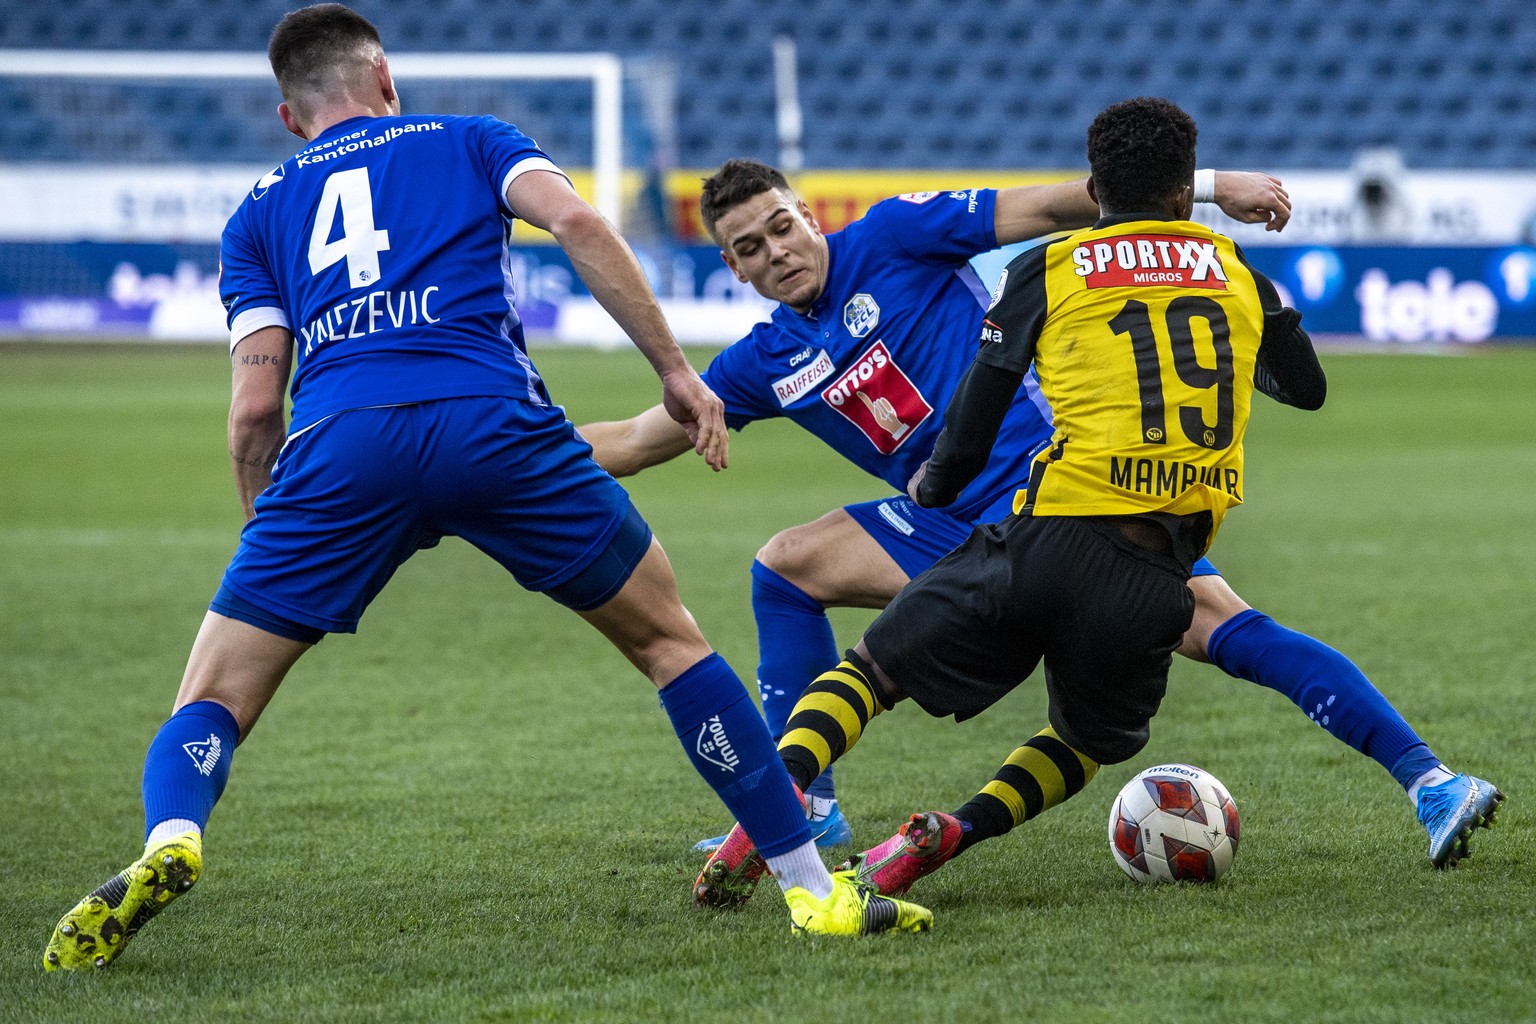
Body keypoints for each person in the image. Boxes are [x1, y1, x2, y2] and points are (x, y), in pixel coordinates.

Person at [41, 5, 934, 972]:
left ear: (290, 117)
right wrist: (676, 370)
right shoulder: (470, 139)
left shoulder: (255, 215)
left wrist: (272, 529)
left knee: (212, 691)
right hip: (493, 426)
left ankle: (170, 840)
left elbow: (255, 410)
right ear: (384, 77)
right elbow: (580, 223)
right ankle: (813, 893)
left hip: (342, 445)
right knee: (672, 644)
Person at [581, 156, 1502, 880]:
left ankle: (1429, 780)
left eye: (782, 226)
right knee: (784, 567)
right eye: (749, 246)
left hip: (1057, 496)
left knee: (1226, 628)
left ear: (807, 216)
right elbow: (631, 438)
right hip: (942, 521)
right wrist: (515, 450)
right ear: (734, 270)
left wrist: (1213, 190)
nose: (776, 250)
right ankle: (810, 807)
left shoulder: (896, 236)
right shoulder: (760, 360)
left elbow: (1063, 206)